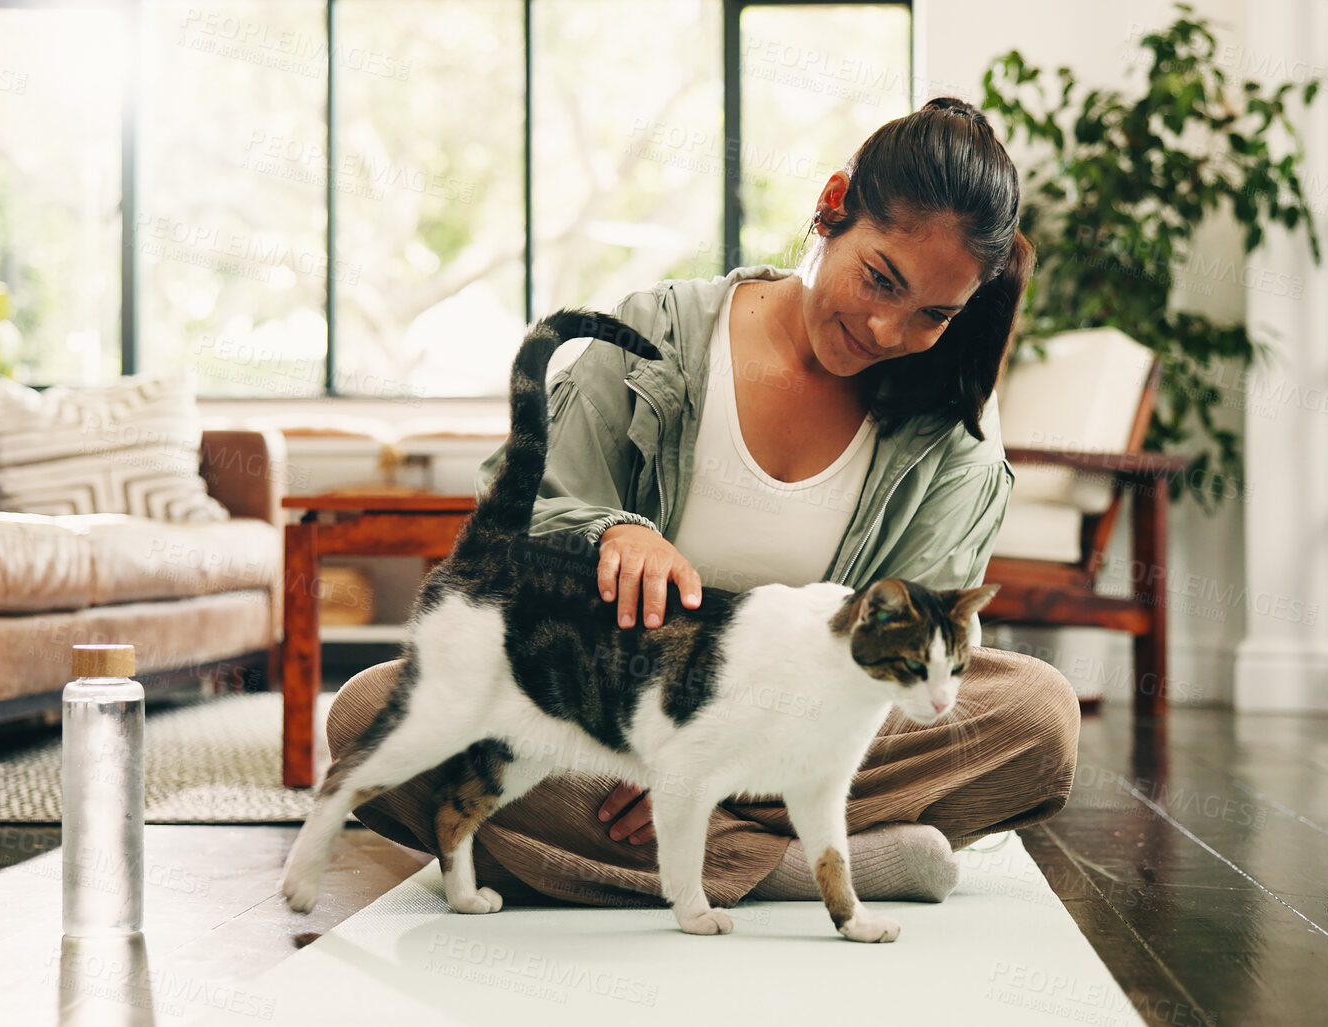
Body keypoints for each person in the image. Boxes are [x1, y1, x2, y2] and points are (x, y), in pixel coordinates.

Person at [326, 96, 1081, 909]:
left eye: (933, 313)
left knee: (1038, 715)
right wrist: (612, 531)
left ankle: (690, 836)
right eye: (880, 278)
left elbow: (913, 651)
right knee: (368, 713)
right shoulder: (657, 337)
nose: (887, 329)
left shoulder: (953, 433)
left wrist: (715, 767)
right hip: (621, 717)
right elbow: (514, 521)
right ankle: (801, 866)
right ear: (832, 205)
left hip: (802, 725)